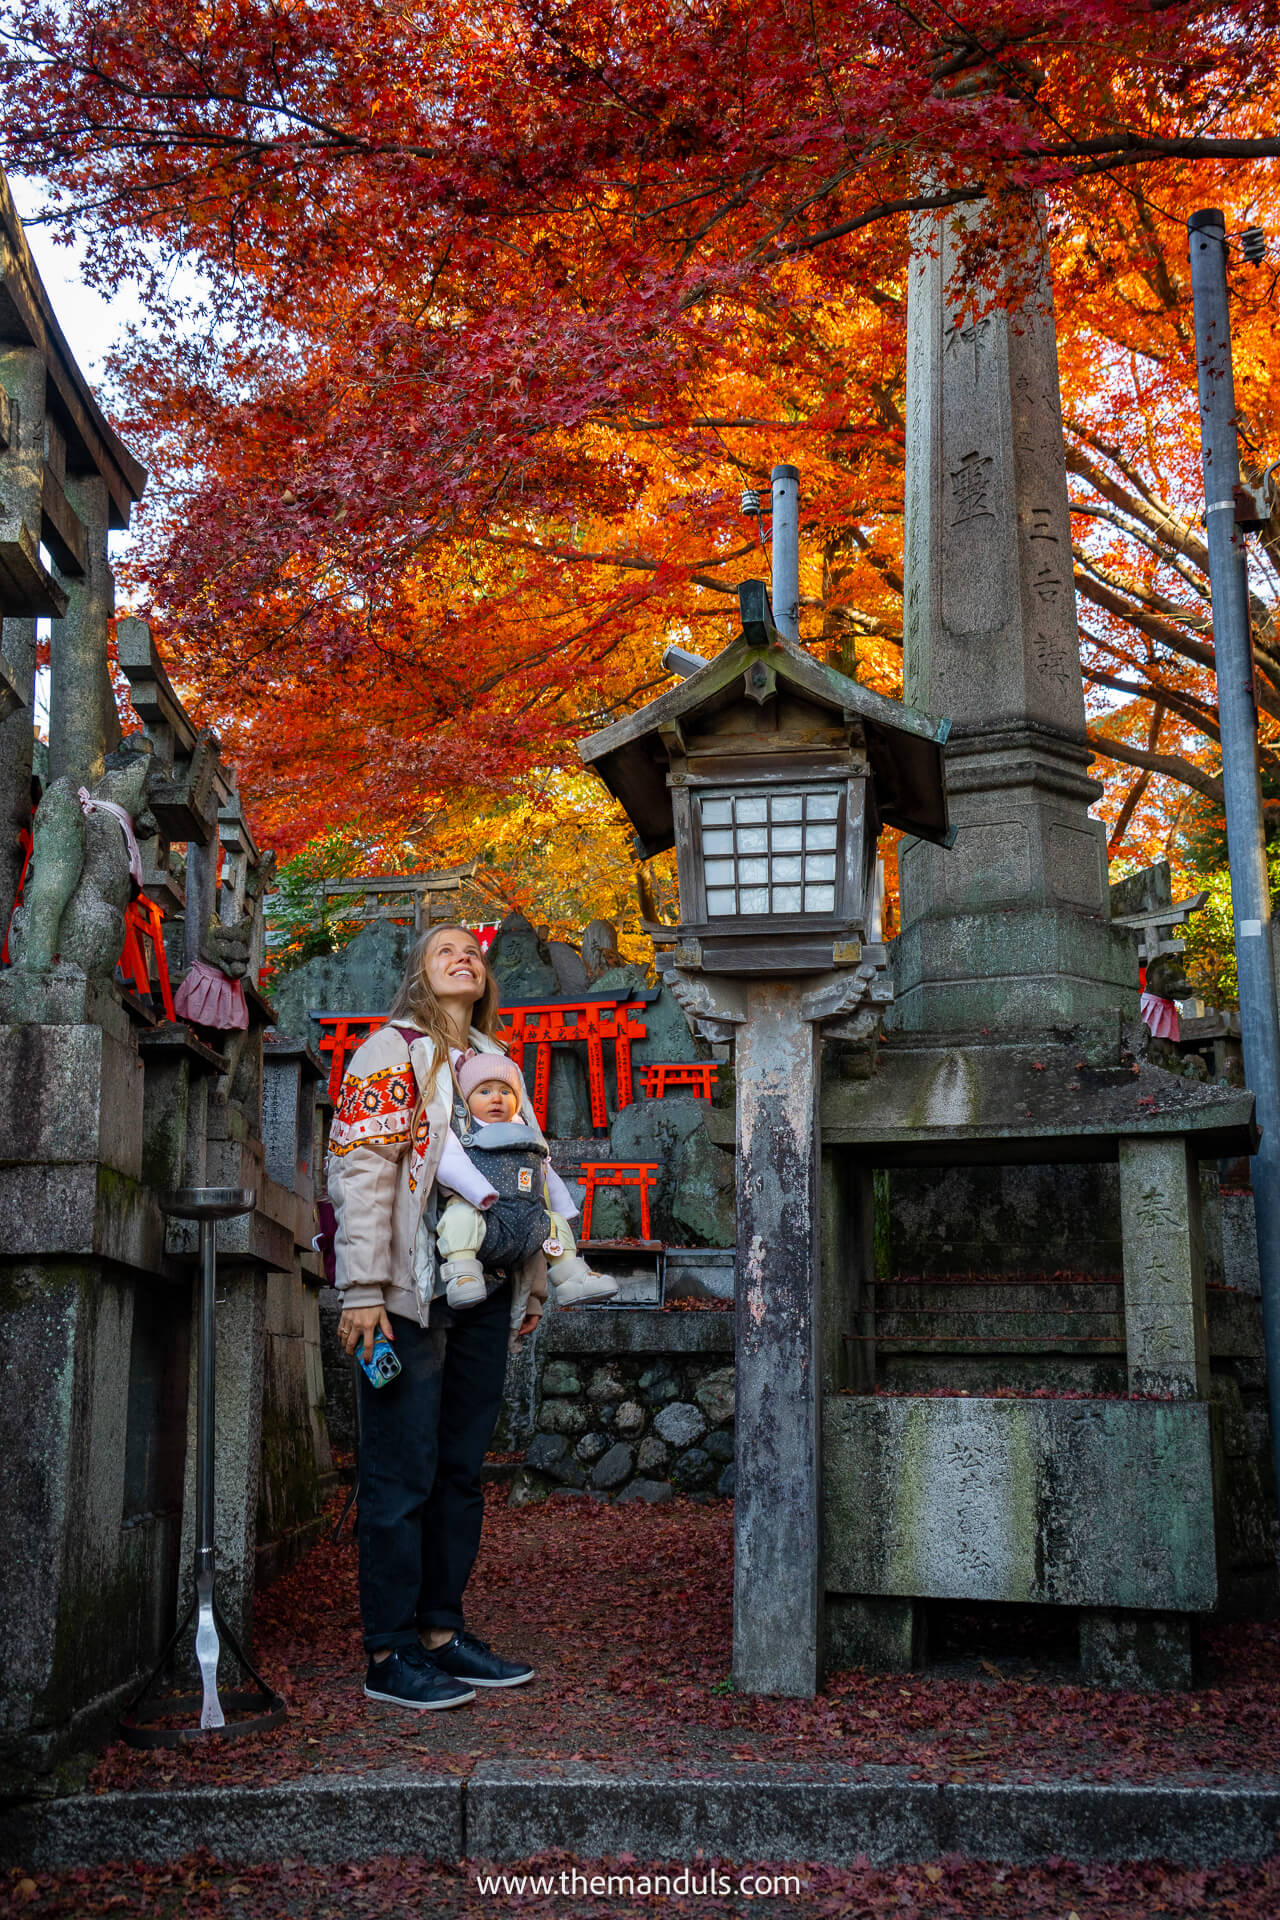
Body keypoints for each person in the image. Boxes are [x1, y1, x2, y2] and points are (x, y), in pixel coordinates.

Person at [328, 924, 542, 1712]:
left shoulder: (499, 1063)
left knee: (460, 1471)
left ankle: (441, 1633)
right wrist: (361, 1289)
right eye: (445, 947)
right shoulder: (390, 1050)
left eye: (474, 951)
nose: (465, 956)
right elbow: (363, 1171)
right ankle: (387, 1650)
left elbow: (528, 1176)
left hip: (482, 1290)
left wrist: (537, 1281)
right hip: (409, 1289)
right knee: (401, 1470)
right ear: (418, 971)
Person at [434, 1051, 618, 1318]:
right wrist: (479, 1192)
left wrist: (565, 1211)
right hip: (486, 1219)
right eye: (484, 1091)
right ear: (465, 1097)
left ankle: (573, 1278)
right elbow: (447, 1162)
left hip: (528, 1222)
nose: (496, 1098)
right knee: (459, 1216)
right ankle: (463, 1275)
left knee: (554, 1222)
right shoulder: (462, 1130)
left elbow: (545, 1172)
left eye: (506, 1092)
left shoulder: (526, 1131)